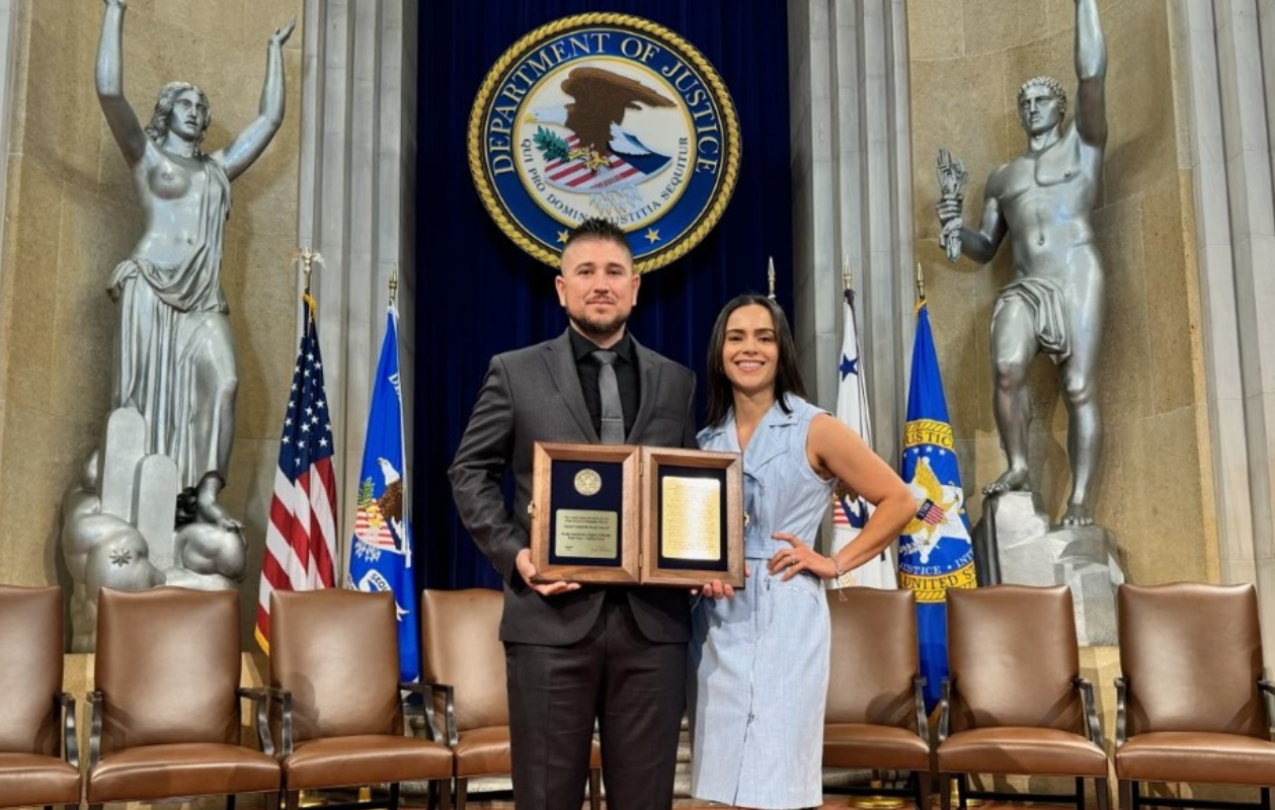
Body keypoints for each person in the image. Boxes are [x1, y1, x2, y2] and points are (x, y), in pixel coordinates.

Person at [448, 218, 698, 810]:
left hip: (653, 628)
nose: (600, 284)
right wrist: (517, 557)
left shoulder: (678, 383)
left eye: (614, 272)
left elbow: (685, 489)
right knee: (545, 799)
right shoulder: (514, 372)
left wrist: (702, 552)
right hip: (548, 623)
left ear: (636, 287)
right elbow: (469, 472)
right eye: (585, 271)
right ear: (562, 289)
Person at [689, 294, 915, 810]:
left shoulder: (817, 427)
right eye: (737, 337)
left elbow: (899, 499)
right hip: (717, 622)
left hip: (786, 613)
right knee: (722, 783)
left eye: (764, 338)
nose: (750, 349)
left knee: (778, 778)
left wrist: (834, 561)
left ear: (781, 350)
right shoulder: (705, 440)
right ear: (719, 352)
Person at [95, 0, 295, 528]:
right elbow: (110, 92)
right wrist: (114, 10)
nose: (197, 110)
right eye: (186, 102)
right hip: (149, 287)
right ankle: (133, 489)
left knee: (225, 381)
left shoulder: (217, 170)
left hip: (203, 299)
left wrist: (273, 53)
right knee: (138, 400)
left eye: (202, 106)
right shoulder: (146, 157)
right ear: (166, 111)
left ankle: (205, 493)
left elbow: (270, 120)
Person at [936, 0, 1108, 526]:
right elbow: (987, 245)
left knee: (1078, 387)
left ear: (1061, 108)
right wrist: (953, 228)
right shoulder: (1003, 177)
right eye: (1024, 101)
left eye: (1041, 99)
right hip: (1025, 283)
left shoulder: (1084, 147)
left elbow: (1093, 73)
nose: (1031, 107)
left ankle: (1079, 500)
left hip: (1075, 271)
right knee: (1007, 369)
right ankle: (1017, 466)